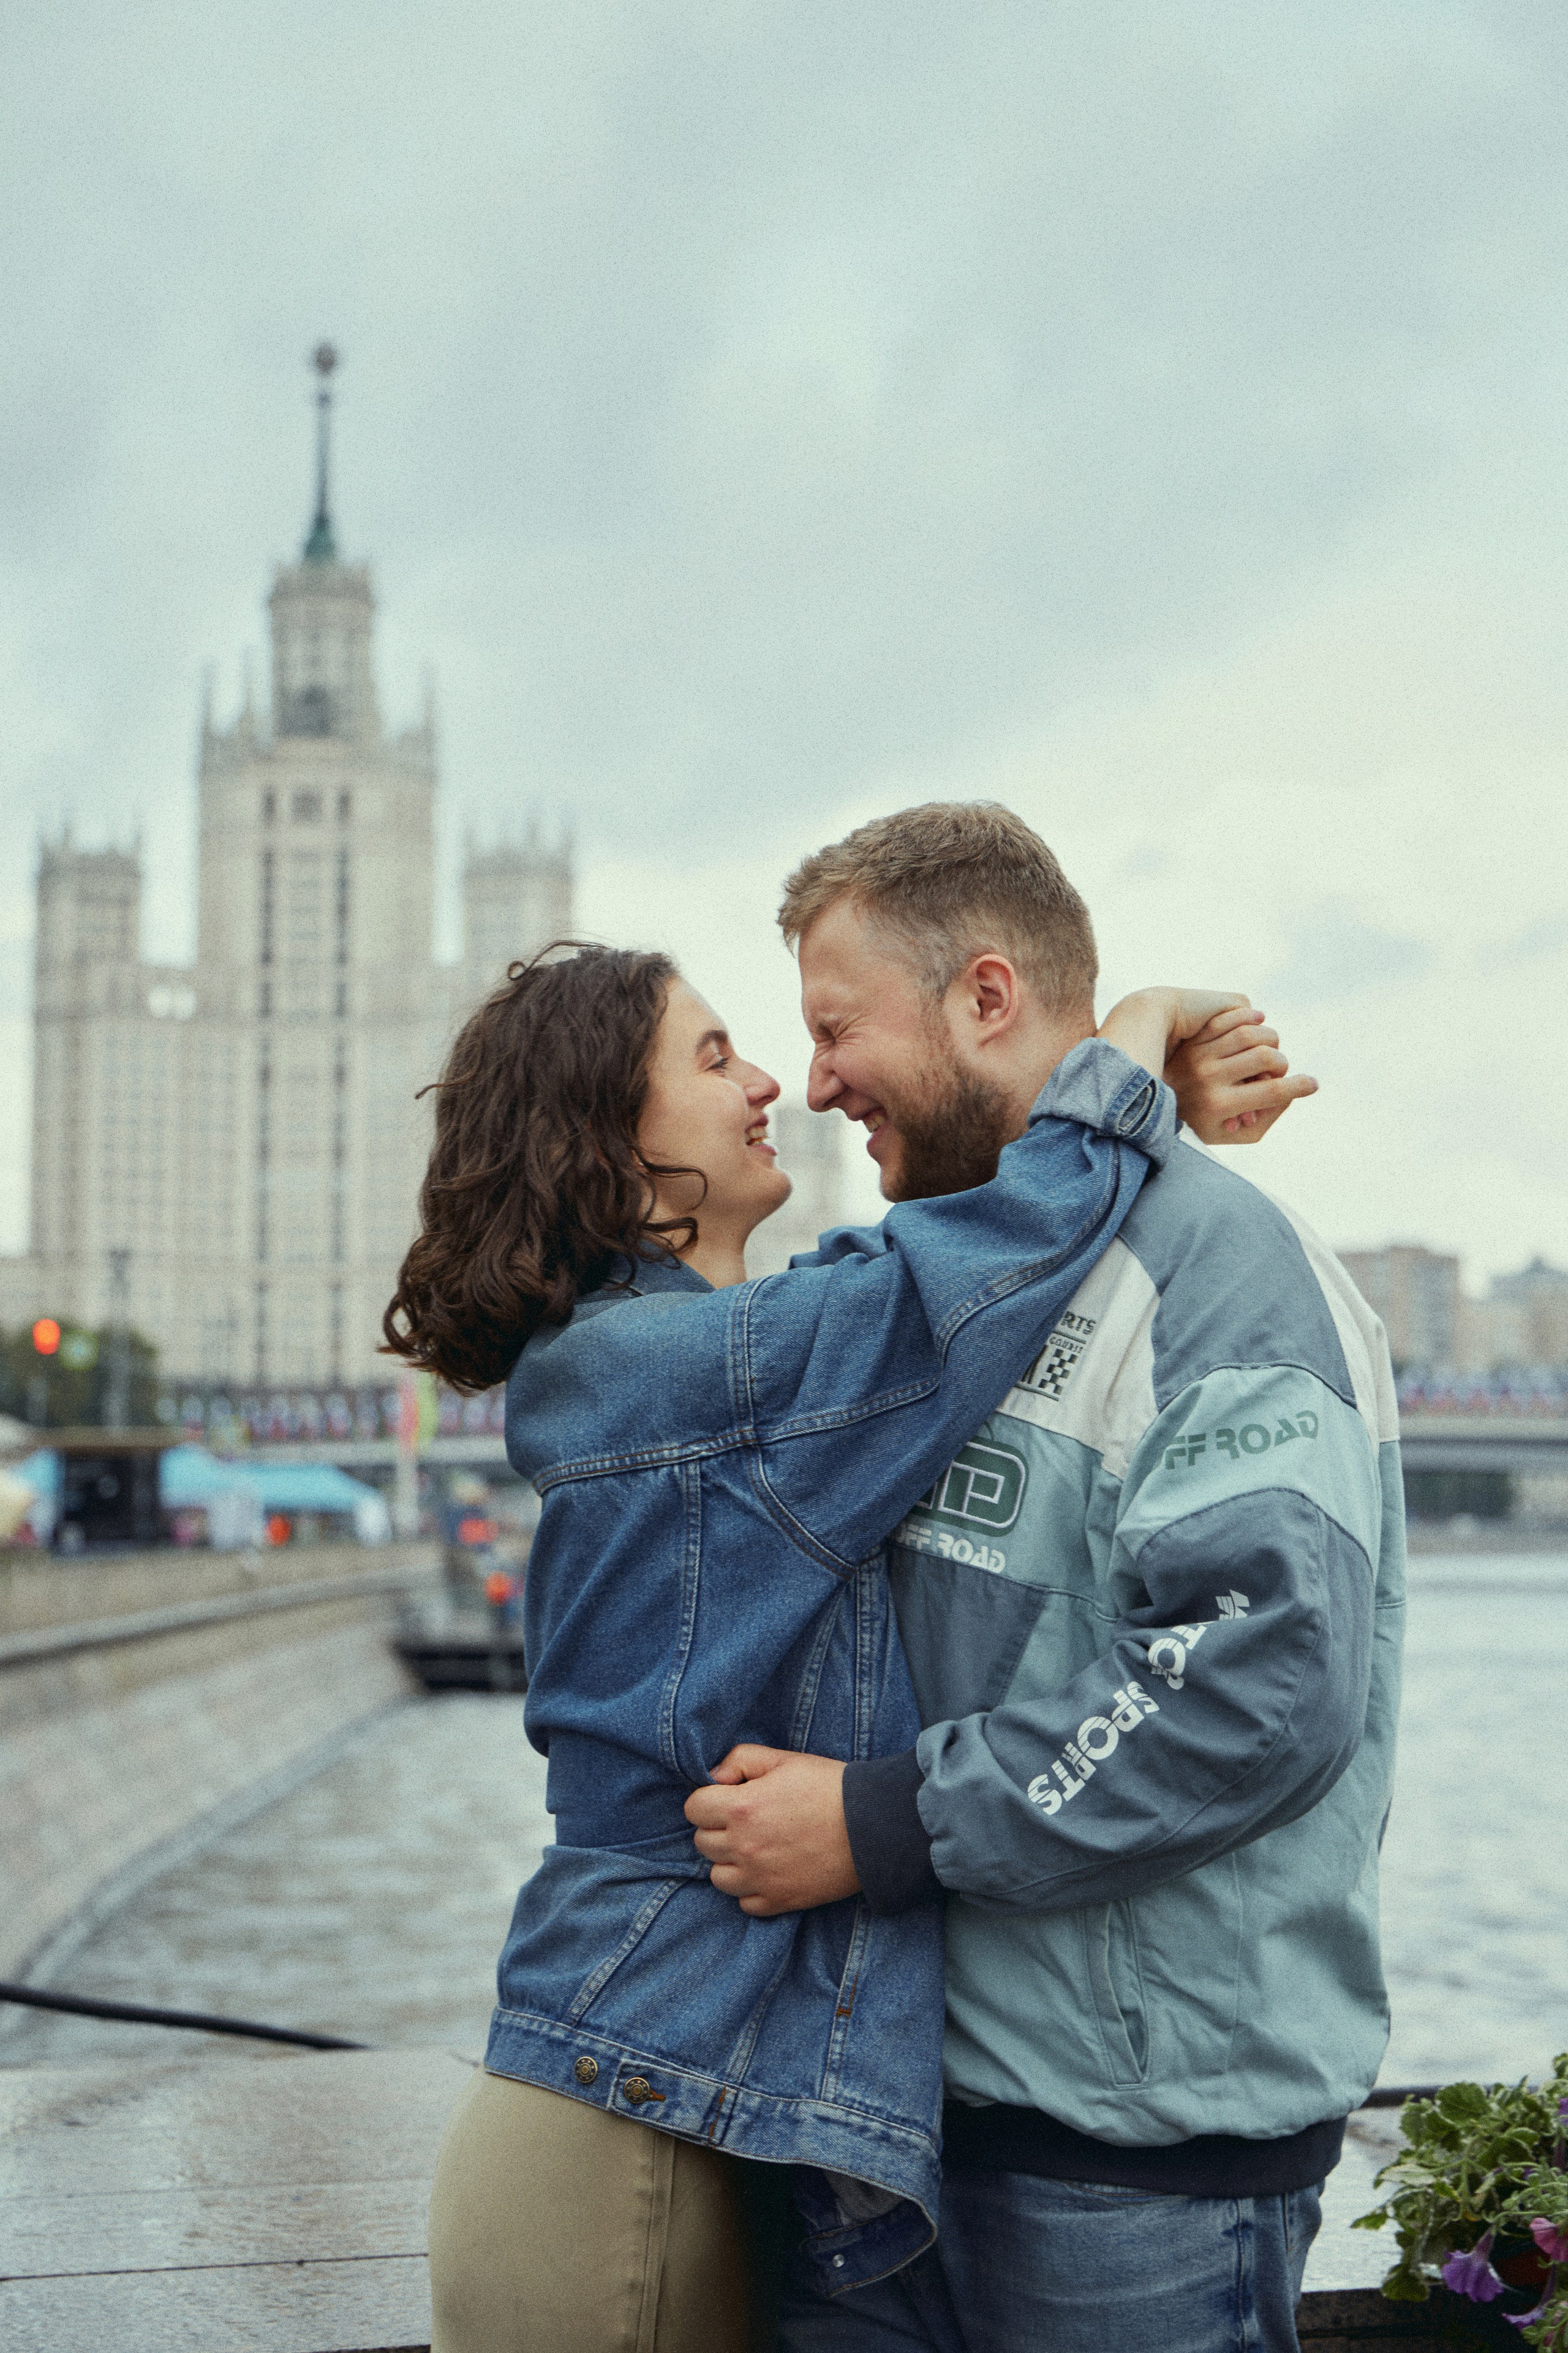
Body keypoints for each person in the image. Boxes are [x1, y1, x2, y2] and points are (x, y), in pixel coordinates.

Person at [384, 935, 1284, 2352]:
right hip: (629, 2114)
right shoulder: (681, 1371)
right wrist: (1134, 1035)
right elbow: (966, 1267)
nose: (763, 1084)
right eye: (710, 1055)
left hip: (667, 2078)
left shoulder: (692, 1359)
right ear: (611, 1152)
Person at [685, 801, 1403, 2353]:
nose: (809, 1084)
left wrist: (876, 1821)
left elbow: (1259, 1673)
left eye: (832, 1029)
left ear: (985, 998)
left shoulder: (1215, 1273)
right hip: (887, 2125)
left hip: (1129, 2171)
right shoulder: (937, 1279)